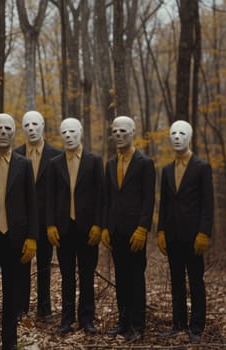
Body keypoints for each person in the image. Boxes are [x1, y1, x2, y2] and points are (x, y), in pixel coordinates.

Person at [0, 113, 38, 350]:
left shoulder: (24, 164)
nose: (3, 132)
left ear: (14, 133)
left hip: (16, 239)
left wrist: (32, 237)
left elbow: (32, 204)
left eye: (8, 128)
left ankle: (10, 341)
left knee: (12, 293)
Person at [157, 120, 213, 343]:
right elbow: (164, 204)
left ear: (189, 137)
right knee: (177, 280)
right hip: (172, 236)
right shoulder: (167, 170)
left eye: (182, 133)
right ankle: (178, 324)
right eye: (173, 133)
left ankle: (196, 327)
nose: (177, 137)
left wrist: (204, 232)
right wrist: (160, 230)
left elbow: (208, 204)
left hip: (193, 236)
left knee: (196, 281)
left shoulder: (201, 167)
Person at [46, 118, 103, 335]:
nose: (68, 135)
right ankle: (66, 320)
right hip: (63, 229)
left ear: (80, 133)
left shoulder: (94, 161)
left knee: (87, 275)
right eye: (64, 132)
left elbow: (101, 196)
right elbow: (50, 197)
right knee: (67, 276)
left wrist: (98, 224)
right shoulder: (54, 163)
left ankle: (87, 320)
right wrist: (50, 225)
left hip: (88, 229)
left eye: (72, 131)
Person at [101, 116, 155, 342]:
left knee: (135, 278)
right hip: (116, 231)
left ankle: (137, 325)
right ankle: (123, 323)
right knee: (121, 278)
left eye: (123, 131)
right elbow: (106, 198)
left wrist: (143, 228)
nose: (119, 135)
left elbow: (148, 199)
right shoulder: (111, 164)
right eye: (115, 131)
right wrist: (105, 226)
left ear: (133, 133)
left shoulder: (145, 163)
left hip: (135, 232)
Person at [14, 111, 61, 321]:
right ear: (22, 128)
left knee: (44, 265)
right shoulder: (15, 154)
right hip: (20, 221)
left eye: (35, 124)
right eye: (27, 124)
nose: (31, 128)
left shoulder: (56, 156)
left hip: (45, 221)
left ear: (43, 125)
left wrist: (54, 221)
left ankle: (44, 309)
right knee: (21, 265)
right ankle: (20, 307)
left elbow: (59, 192)